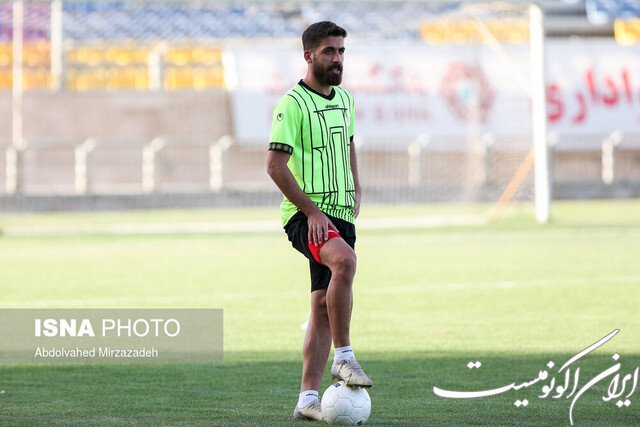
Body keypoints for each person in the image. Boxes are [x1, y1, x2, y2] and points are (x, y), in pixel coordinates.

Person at [266, 21, 373, 422]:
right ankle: (344, 357)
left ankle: (307, 399)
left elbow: (348, 143)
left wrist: (356, 186)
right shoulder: (292, 104)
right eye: (329, 51)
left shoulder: (346, 99)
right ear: (309, 56)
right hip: (306, 216)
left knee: (320, 305)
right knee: (345, 261)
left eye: (341, 50)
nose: (337, 58)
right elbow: (275, 166)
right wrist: (311, 211)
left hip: (341, 213)